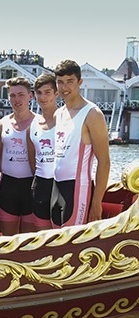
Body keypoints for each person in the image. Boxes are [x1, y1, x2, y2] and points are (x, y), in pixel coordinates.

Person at [51, 59, 110, 227]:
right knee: (56, 242)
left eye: (70, 82)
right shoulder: (59, 113)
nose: (64, 88)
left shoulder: (92, 114)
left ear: (80, 82)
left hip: (78, 189)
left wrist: (97, 202)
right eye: (60, 82)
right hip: (56, 187)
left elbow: (104, 161)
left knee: (72, 245)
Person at [0, 77, 36, 235]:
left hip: (31, 187)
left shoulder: (39, 123)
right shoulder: (1, 125)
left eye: (21, 95)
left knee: (29, 242)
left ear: (30, 96)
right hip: (8, 187)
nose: (16, 99)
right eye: (12, 95)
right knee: (8, 240)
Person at [27, 73, 58, 230]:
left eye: (47, 92)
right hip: (40, 185)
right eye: (39, 93)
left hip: (61, 186)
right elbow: (33, 159)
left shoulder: (67, 122)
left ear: (56, 94)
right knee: (42, 237)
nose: (43, 97)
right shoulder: (33, 125)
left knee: (62, 240)